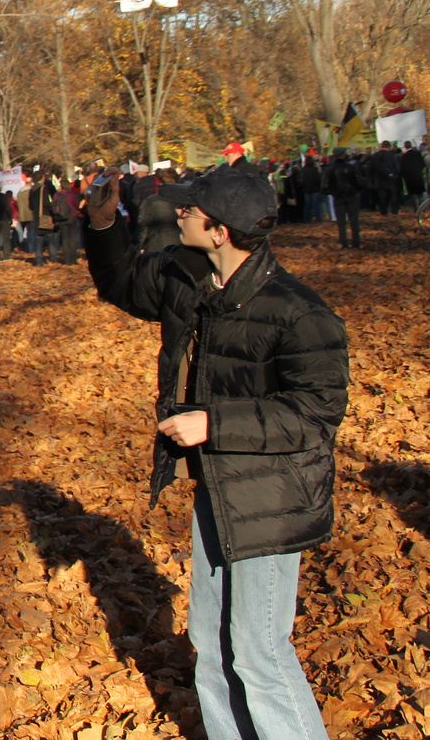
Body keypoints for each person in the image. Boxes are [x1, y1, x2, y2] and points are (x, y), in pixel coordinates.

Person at [83, 166, 347, 740]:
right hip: (217, 493)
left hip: (271, 501)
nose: (178, 212)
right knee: (211, 646)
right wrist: (102, 224)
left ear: (220, 230)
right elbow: (122, 283)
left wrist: (213, 423)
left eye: (190, 209)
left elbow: (317, 415)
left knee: (259, 652)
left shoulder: (300, 311)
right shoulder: (188, 277)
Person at [324, 150, 363, 248]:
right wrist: (355, 190)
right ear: (344, 155)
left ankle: (344, 243)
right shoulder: (351, 167)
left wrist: (332, 192)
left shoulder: (329, 169)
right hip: (351, 196)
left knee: (341, 222)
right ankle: (356, 242)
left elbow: (324, 186)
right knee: (354, 220)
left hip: (338, 197)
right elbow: (360, 181)